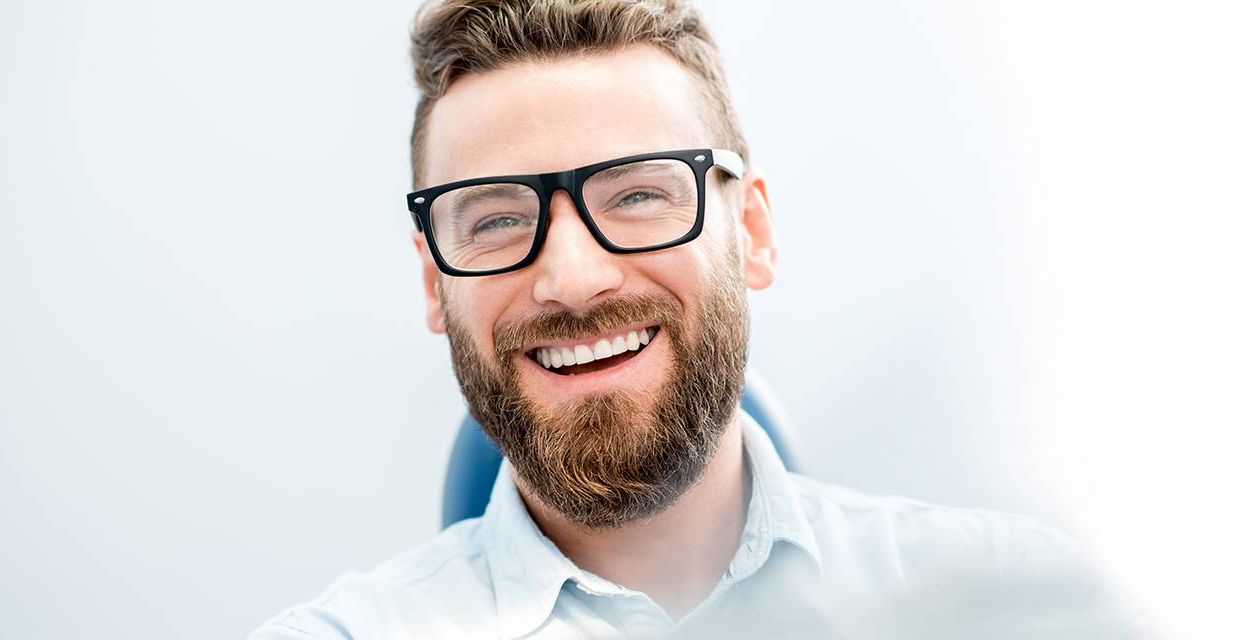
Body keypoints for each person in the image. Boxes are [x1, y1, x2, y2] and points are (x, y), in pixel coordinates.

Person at [251, 1, 1144, 638]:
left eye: (638, 194)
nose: (570, 277)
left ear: (751, 231)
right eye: (495, 220)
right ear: (430, 279)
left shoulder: (1017, 605)